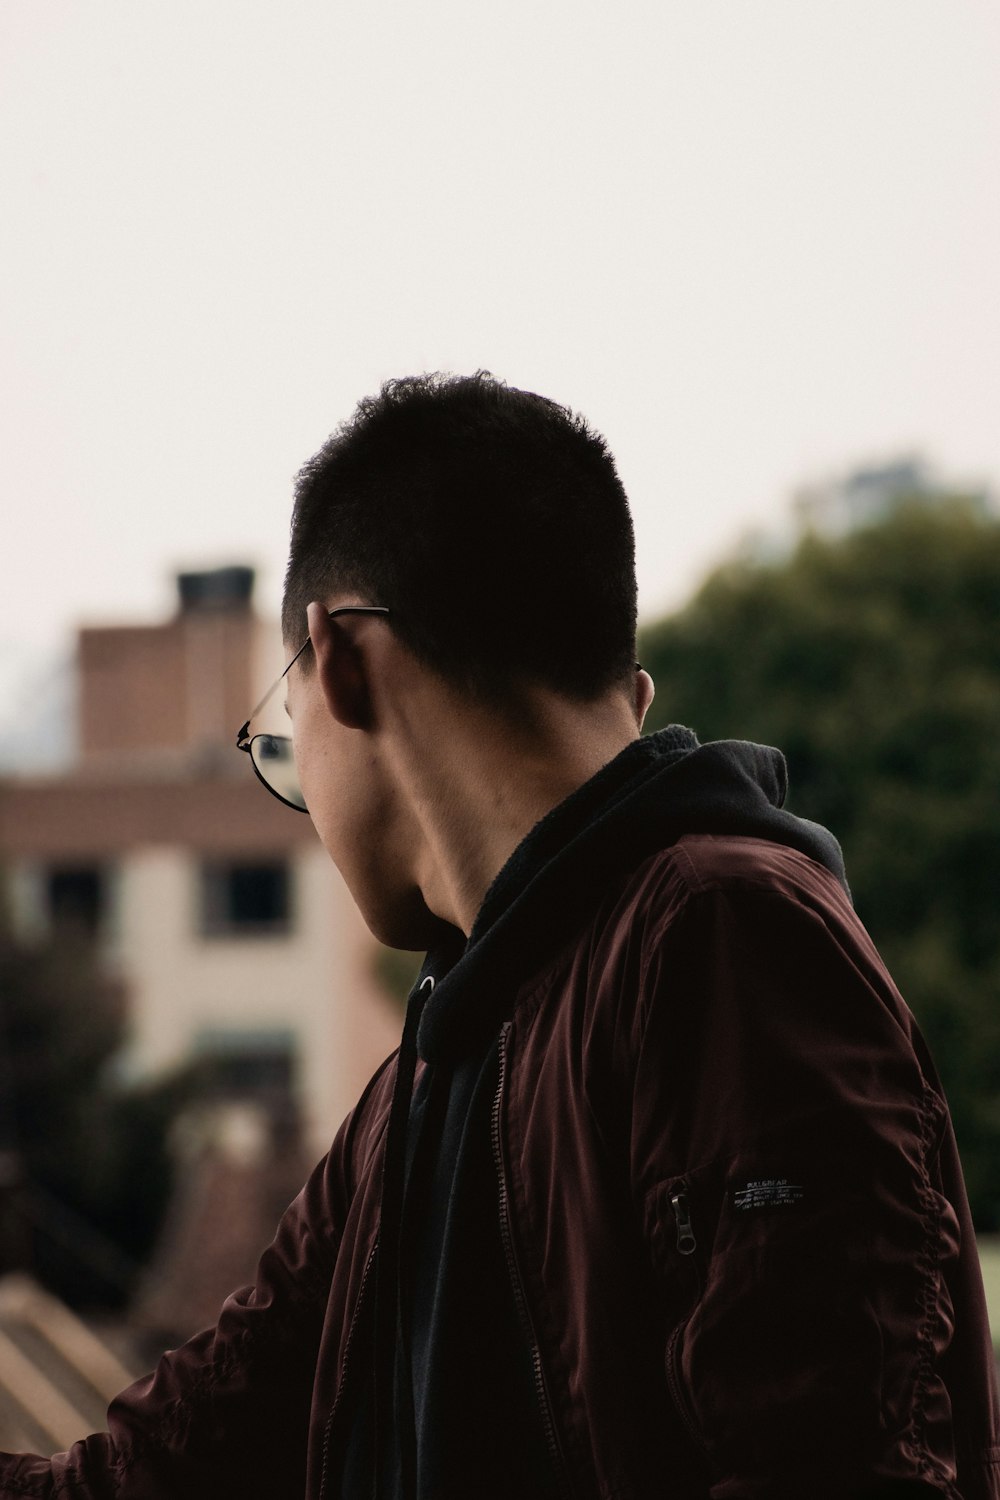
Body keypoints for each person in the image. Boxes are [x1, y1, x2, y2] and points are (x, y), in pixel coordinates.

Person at [2, 371, 998, 1498]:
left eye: (279, 741)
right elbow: (155, 1475)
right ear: (630, 689)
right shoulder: (428, 1076)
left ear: (338, 660)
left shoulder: (726, 939)